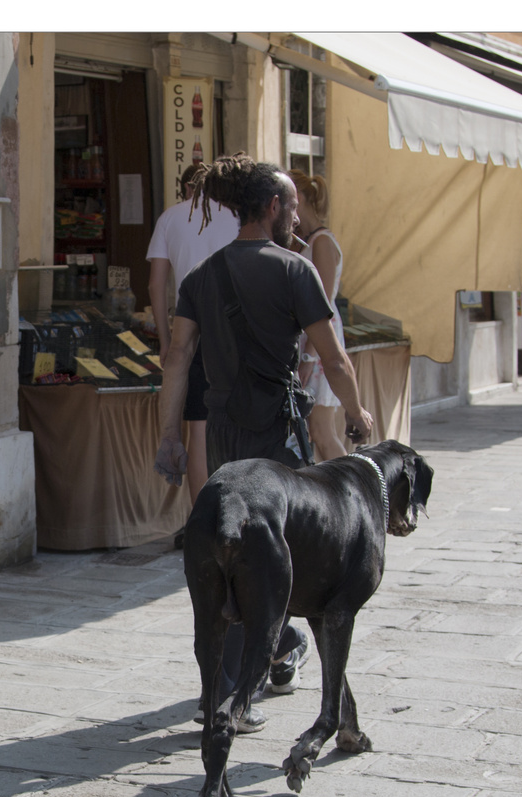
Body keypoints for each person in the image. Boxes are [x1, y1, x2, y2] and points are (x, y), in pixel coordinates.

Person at [154, 155, 373, 728]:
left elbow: (177, 358)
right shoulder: (296, 271)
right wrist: (356, 413)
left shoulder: (202, 277)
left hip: (225, 436)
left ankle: (225, 689)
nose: (297, 220)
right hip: (278, 436)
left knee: (230, 555)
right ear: (272, 207)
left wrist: (167, 435)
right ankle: (267, 672)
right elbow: (334, 356)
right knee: (275, 561)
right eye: (293, 208)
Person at [146, 163, 241, 509]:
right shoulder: (237, 215)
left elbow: (156, 284)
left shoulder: (170, 218)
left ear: (187, 187)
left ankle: (201, 522)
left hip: (191, 328)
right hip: (236, 330)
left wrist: (165, 338)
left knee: (197, 429)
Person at [290, 170, 349, 462]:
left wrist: (310, 356)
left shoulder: (322, 241)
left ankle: (353, 492)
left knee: (323, 431)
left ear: (297, 199)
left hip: (318, 340)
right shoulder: (304, 240)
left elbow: (321, 304)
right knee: (311, 431)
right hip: (309, 338)